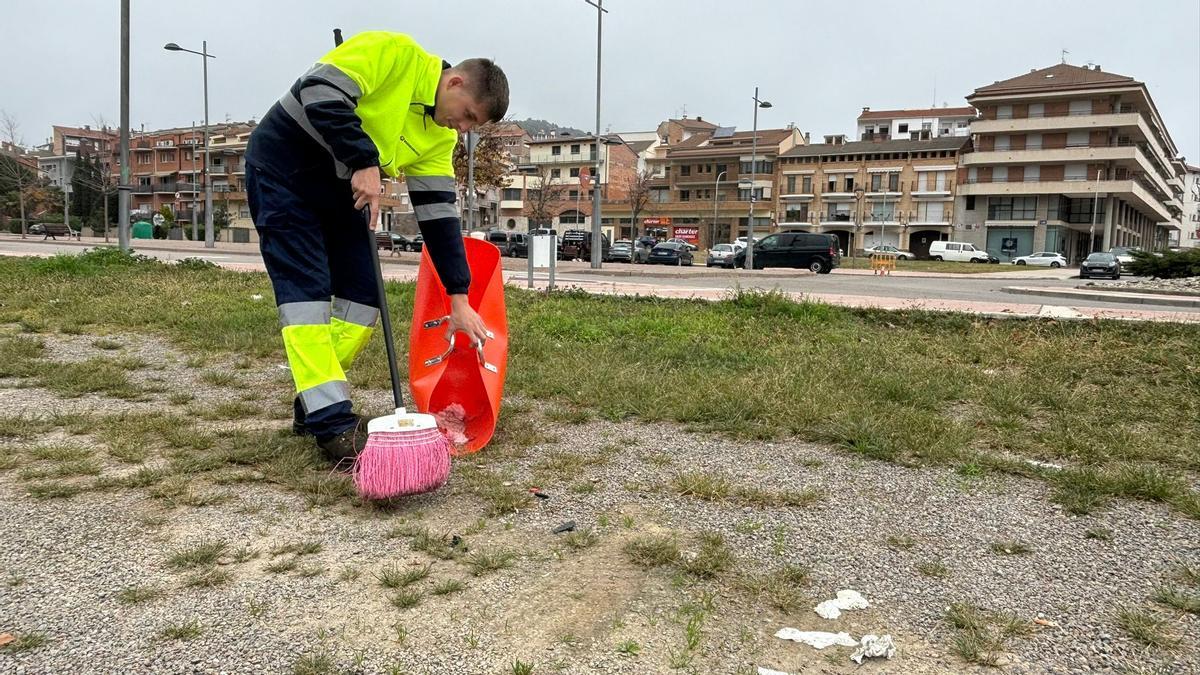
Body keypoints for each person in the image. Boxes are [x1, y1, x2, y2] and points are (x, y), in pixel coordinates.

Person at [244, 31, 509, 462]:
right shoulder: (393, 52)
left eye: (471, 126)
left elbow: (439, 218)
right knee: (307, 298)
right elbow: (319, 90)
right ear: (455, 82)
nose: (462, 129)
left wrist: (459, 298)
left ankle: (313, 398)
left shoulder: (438, 139)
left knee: (364, 298)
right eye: (467, 116)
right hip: (283, 172)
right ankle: (332, 422)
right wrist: (364, 160)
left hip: (344, 189)